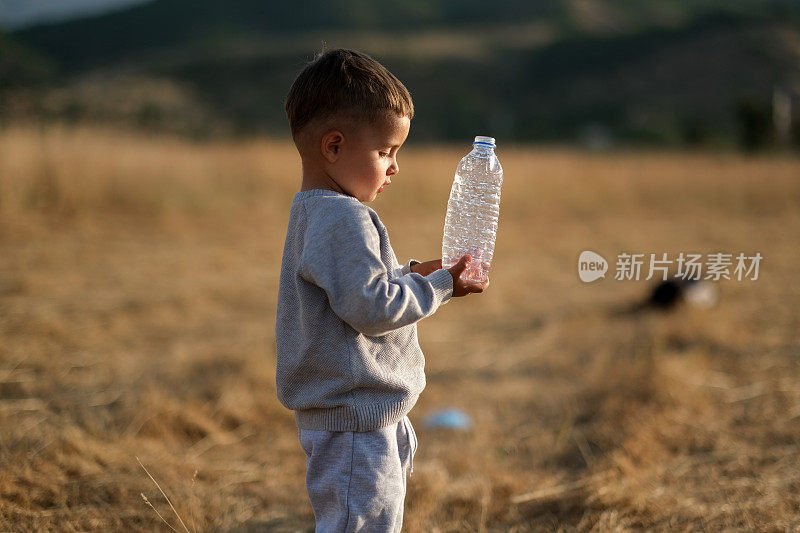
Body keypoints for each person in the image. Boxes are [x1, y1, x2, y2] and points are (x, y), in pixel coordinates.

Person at [275, 48, 489, 532]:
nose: (394, 167)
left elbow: (360, 286)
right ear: (333, 146)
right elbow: (372, 307)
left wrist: (413, 271)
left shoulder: (315, 209)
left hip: (359, 413)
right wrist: (440, 285)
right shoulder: (342, 216)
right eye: (385, 152)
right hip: (354, 421)